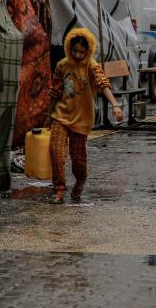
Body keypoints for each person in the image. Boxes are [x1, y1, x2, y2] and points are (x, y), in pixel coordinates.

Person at [47, 27, 124, 204]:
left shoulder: (91, 65)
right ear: (68, 48)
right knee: (56, 152)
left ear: (87, 51)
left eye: (82, 52)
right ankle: (59, 190)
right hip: (61, 115)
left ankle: (80, 180)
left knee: (78, 158)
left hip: (82, 119)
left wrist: (115, 105)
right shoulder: (62, 65)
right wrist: (49, 114)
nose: (78, 55)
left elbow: (103, 83)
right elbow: (55, 91)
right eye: (75, 51)